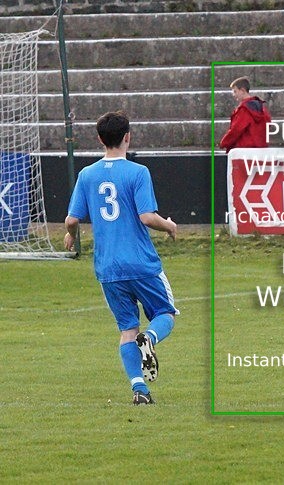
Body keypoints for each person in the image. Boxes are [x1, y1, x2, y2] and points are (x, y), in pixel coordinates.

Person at [65, 111, 178, 405]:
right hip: (141, 263)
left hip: (108, 268)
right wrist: (168, 225)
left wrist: (69, 235)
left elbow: (71, 219)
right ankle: (150, 339)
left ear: (100, 139)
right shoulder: (138, 172)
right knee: (165, 314)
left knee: (127, 328)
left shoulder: (86, 175)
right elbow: (146, 216)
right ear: (128, 136)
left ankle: (140, 390)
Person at [219, 76, 271, 152]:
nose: (233, 94)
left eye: (235, 91)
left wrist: (224, 142)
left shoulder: (244, 109)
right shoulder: (261, 107)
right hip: (261, 149)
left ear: (242, 90)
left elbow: (236, 129)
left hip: (244, 150)